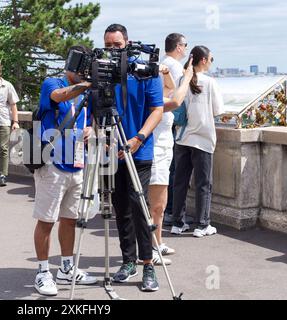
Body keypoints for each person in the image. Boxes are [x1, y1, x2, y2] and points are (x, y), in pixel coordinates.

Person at [31, 45, 98, 296]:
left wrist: (91, 128)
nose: (87, 73)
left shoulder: (85, 94)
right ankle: (42, 271)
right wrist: (86, 85)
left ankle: (67, 268)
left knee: (70, 220)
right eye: (85, 68)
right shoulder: (52, 82)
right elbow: (59, 96)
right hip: (52, 164)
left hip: (77, 163)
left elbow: (87, 119)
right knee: (47, 220)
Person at [104, 24, 163, 292]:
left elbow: (157, 110)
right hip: (110, 151)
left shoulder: (145, 72)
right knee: (121, 209)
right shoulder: (103, 73)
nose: (113, 50)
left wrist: (138, 138)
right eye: (108, 45)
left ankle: (148, 264)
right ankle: (128, 261)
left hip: (139, 150)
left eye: (117, 45)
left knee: (139, 207)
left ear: (127, 43)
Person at [171, 46, 224, 238]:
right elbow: (217, 110)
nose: (211, 62)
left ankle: (178, 222)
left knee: (180, 182)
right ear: (203, 60)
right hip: (202, 139)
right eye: (211, 58)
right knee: (203, 183)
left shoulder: (181, 79)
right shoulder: (210, 82)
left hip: (182, 137)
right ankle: (202, 224)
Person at [148, 61, 194, 262]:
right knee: (155, 206)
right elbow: (176, 100)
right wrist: (187, 78)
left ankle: (156, 243)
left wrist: (165, 71)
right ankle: (149, 249)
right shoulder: (152, 100)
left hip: (164, 153)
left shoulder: (159, 94)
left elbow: (170, 88)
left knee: (160, 205)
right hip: (155, 154)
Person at [161, 33, 189, 226]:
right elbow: (181, 95)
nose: (186, 49)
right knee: (171, 170)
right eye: (185, 45)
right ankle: (170, 210)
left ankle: (166, 210)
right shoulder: (175, 66)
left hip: (162, 118)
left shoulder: (163, 63)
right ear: (178, 47)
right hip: (170, 120)